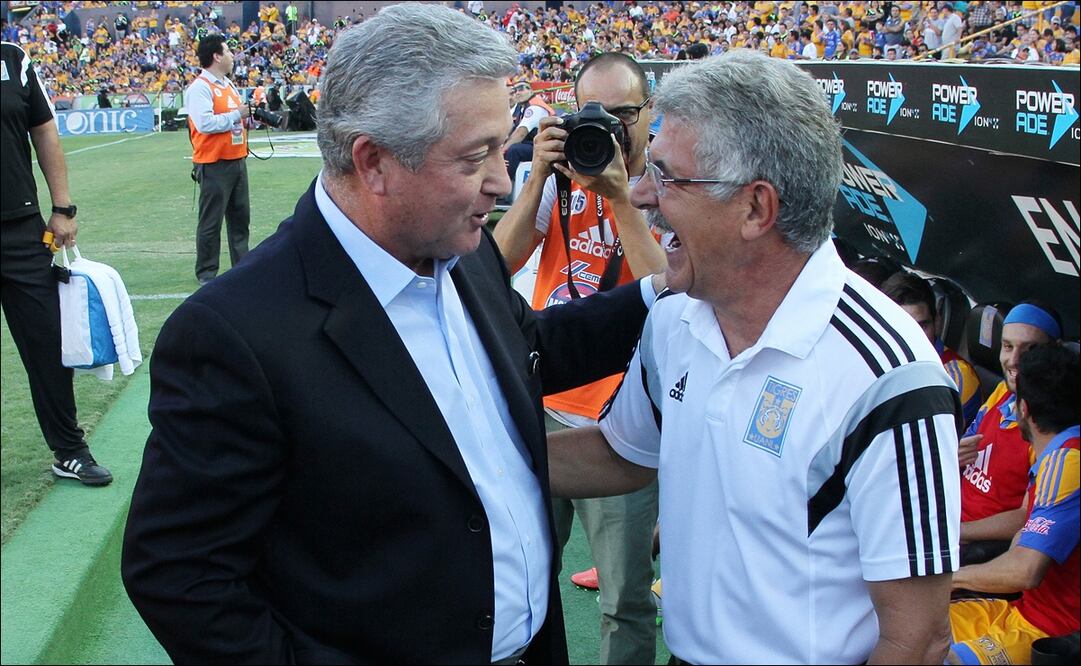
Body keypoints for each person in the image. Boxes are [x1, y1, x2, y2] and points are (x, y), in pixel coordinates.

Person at [121, 5, 660, 663]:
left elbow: (529, 351)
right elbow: (178, 575)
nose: (499, 179)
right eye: (475, 156)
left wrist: (666, 292)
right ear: (373, 163)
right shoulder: (237, 333)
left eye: (502, 145)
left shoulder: (457, 247)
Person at [548, 50, 962, 664]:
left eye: (667, 176)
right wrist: (463, 457)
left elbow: (918, 639)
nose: (638, 193)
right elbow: (622, 452)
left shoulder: (889, 373)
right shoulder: (677, 314)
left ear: (756, 208)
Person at [493, 51, 666, 666]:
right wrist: (538, 177)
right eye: (591, 113)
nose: (609, 129)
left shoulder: (669, 187)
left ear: (649, 113)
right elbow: (495, 267)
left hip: (621, 424)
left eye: (622, 114)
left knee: (623, 601)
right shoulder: (559, 182)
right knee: (521, 575)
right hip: (543, 400)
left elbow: (669, 297)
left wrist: (620, 197)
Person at [0, 42, 112, 486]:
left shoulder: (12, 59)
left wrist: (62, 207)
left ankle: (70, 450)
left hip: (23, 230)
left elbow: (44, 130)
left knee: (49, 344)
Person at [948, 343, 1079, 665]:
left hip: (1052, 635)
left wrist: (950, 578)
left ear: (1023, 409)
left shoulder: (1069, 461)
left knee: (932, 654)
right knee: (905, 625)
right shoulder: (1057, 456)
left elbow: (1025, 571)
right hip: (1019, 611)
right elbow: (1025, 533)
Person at [959, 301, 1064, 565]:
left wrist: (954, 533)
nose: (1014, 361)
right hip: (945, 517)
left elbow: (1026, 516)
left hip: (972, 545)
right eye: (1007, 346)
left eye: (1030, 349)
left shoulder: (1051, 428)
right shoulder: (1003, 392)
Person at [186, 33, 251, 286]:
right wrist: (237, 115)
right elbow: (205, 124)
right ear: (216, 56)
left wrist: (246, 118)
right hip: (213, 163)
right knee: (211, 221)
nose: (232, 56)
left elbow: (235, 117)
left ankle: (243, 267)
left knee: (240, 218)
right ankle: (206, 273)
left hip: (236, 159)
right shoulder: (200, 87)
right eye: (228, 51)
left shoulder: (228, 85)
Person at [881, 271, 981, 428]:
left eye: (922, 326)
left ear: (937, 322)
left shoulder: (954, 378)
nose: (915, 337)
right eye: (903, 327)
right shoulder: (873, 363)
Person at [502, 80, 554, 183]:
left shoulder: (535, 107)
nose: (517, 92)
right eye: (515, 90)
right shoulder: (523, 107)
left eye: (521, 89)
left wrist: (503, 150)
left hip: (544, 148)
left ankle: (503, 185)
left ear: (530, 90)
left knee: (513, 150)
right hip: (535, 144)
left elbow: (521, 133)